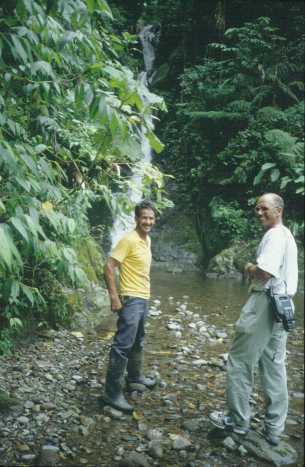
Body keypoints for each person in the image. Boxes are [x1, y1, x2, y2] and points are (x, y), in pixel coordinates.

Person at [209, 193, 298, 446]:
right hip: (283, 306)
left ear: (278, 210)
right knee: (274, 368)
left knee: (239, 362)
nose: (259, 212)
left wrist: (248, 268)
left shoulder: (274, 236)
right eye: (257, 209)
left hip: (265, 304)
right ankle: (273, 429)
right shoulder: (287, 235)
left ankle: (237, 422)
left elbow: (265, 272)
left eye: (265, 208)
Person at [102, 200, 157, 413]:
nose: (148, 221)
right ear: (136, 219)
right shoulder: (128, 240)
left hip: (143, 298)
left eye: (151, 218)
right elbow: (108, 267)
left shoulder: (147, 240)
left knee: (138, 341)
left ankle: (135, 378)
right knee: (122, 346)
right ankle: (112, 393)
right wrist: (114, 297)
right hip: (131, 298)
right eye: (144, 217)